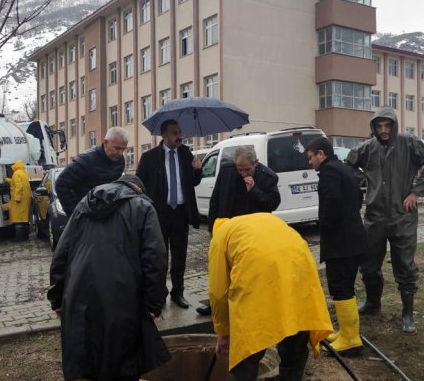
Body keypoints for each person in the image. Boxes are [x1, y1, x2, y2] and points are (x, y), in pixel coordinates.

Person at [47, 175, 170, 381]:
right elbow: (155, 259)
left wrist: (57, 299)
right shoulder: (143, 207)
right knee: (123, 363)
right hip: (124, 299)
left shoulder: (82, 206)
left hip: (80, 295)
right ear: (138, 189)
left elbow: (61, 254)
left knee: (89, 362)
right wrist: (154, 304)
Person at [346, 107, 424, 333]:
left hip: (403, 216)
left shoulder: (409, 144)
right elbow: (348, 164)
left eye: (387, 125)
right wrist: (366, 183)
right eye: (379, 126)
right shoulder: (368, 148)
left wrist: (416, 192)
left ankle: (407, 313)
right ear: (374, 127)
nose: (383, 130)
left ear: (394, 125)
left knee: (405, 267)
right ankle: (372, 302)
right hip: (375, 217)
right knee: (368, 265)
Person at [208, 213, 333, 381]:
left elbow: (218, 294)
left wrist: (223, 333)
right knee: (294, 336)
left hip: (260, 278)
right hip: (300, 272)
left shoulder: (219, 238)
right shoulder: (256, 221)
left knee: (247, 351)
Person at [197, 146, 280, 316]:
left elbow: (272, 203)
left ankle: (248, 306)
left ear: (255, 163)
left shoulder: (267, 176)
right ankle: (217, 306)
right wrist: (213, 229)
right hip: (228, 231)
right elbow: (216, 199)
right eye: (239, 168)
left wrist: (254, 190)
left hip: (252, 235)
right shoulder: (227, 171)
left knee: (248, 273)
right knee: (221, 273)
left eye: (247, 169)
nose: (243, 173)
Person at [306, 137, 367, 355]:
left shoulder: (329, 173)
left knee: (340, 288)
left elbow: (331, 203)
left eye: (311, 157)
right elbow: (358, 198)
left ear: (321, 154)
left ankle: (351, 340)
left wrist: (324, 226)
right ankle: (346, 332)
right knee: (344, 287)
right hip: (352, 238)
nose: (310, 162)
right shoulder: (342, 168)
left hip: (342, 242)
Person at [136, 120, 202, 309]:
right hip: (159, 213)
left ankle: (177, 292)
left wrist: (197, 171)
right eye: (174, 133)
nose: (179, 136)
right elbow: (140, 184)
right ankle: (159, 293)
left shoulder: (185, 154)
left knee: (180, 255)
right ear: (164, 135)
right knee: (159, 256)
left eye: (180, 132)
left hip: (181, 213)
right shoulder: (150, 157)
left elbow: (193, 182)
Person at [55, 127, 128, 216]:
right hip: (87, 217)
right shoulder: (86, 160)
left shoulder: (119, 161)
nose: (120, 153)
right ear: (105, 143)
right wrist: (76, 214)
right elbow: (61, 184)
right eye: (117, 148)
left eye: (123, 149)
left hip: (108, 216)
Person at [5, 159, 31, 241]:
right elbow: (15, 182)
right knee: (24, 218)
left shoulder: (16, 174)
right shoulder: (24, 173)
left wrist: (17, 198)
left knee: (18, 219)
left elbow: (18, 186)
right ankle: (26, 236)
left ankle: (20, 237)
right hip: (26, 198)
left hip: (19, 200)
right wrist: (6, 180)